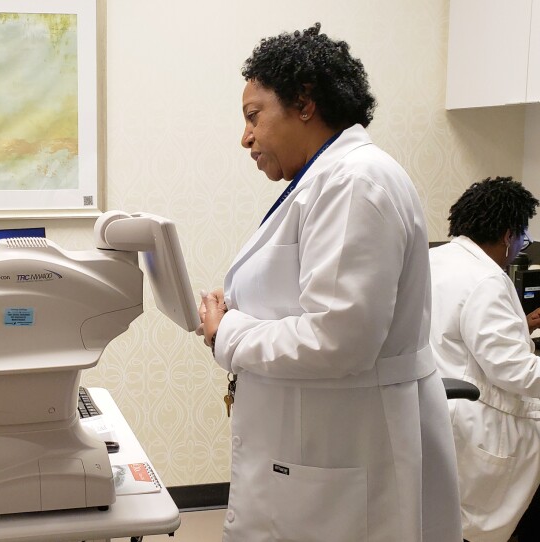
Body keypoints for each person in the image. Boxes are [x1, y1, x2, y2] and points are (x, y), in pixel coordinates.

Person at [197, 23, 462, 541]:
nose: (245, 137)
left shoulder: (353, 182)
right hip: (323, 437)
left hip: (347, 447)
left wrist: (227, 332)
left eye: (254, 117)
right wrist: (242, 304)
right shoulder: (326, 180)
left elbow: (340, 339)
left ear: (304, 102)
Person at [429, 176, 540, 542]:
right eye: (521, 239)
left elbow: (452, 335)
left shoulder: (434, 259)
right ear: (509, 235)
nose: (520, 248)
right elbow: (515, 371)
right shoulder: (486, 279)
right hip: (478, 427)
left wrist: (519, 325)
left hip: (437, 420)